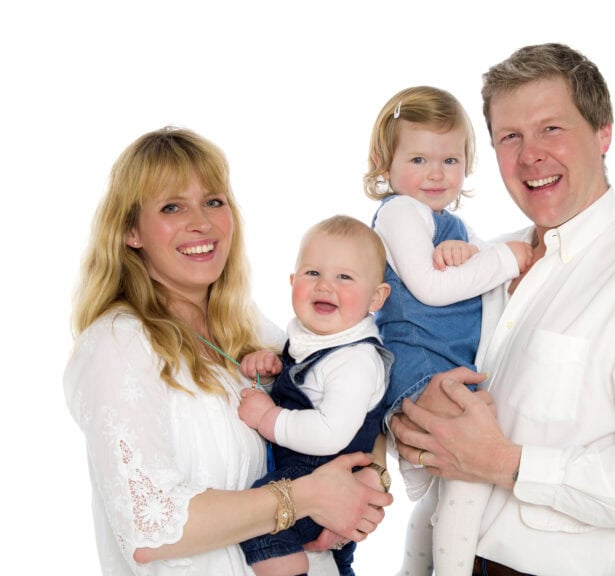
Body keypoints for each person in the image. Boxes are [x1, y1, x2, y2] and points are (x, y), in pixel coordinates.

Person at [389, 43, 615, 576]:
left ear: (603, 133)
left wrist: (509, 464)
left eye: (551, 128)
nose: (530, 155)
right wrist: (409, 423)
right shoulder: (481, 263)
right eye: (510, 137)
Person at [63, 127, 392, 576]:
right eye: (172, 206)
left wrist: (370, 479)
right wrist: (309, 497)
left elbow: (353, 389)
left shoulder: (247, 325)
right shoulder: (118, 343)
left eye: (213, 201)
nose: (202, 222)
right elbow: (149, 528)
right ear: (131, 232)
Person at [364, 86, 533, 576]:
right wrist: (507, 258)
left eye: (451, 160)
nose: (436, 174)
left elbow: (477, 280)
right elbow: (431, 289)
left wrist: (474, 254)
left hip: (440, 364)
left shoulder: (447, 221)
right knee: (470, 480)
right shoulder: (400, 212)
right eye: (419, 158)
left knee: (444, 495)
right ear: (384, 163)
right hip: (418, 363)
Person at [236, 215, 394, 576]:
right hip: (311, 480)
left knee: (260, 526)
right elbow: (307, 381)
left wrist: (267, 418)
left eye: (344, 277)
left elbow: (329, 432)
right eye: (312, 274)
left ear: (376, 297)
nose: (325, 286)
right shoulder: (317, 340)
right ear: (292, 282)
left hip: (324, 479)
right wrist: (272, 365)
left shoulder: (355, 359)